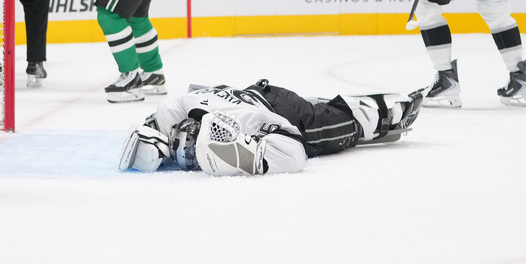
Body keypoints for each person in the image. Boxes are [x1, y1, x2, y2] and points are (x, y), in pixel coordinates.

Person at [119, 80, 423, 177]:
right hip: (260, 91)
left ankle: (392, 112)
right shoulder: (180, 106)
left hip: (282, 111)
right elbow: (151, 129)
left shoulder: (243, 118)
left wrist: (246, 153)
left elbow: (295, 150)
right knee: (320, 109)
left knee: (336, 128)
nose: (192, 160)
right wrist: (156, 146)